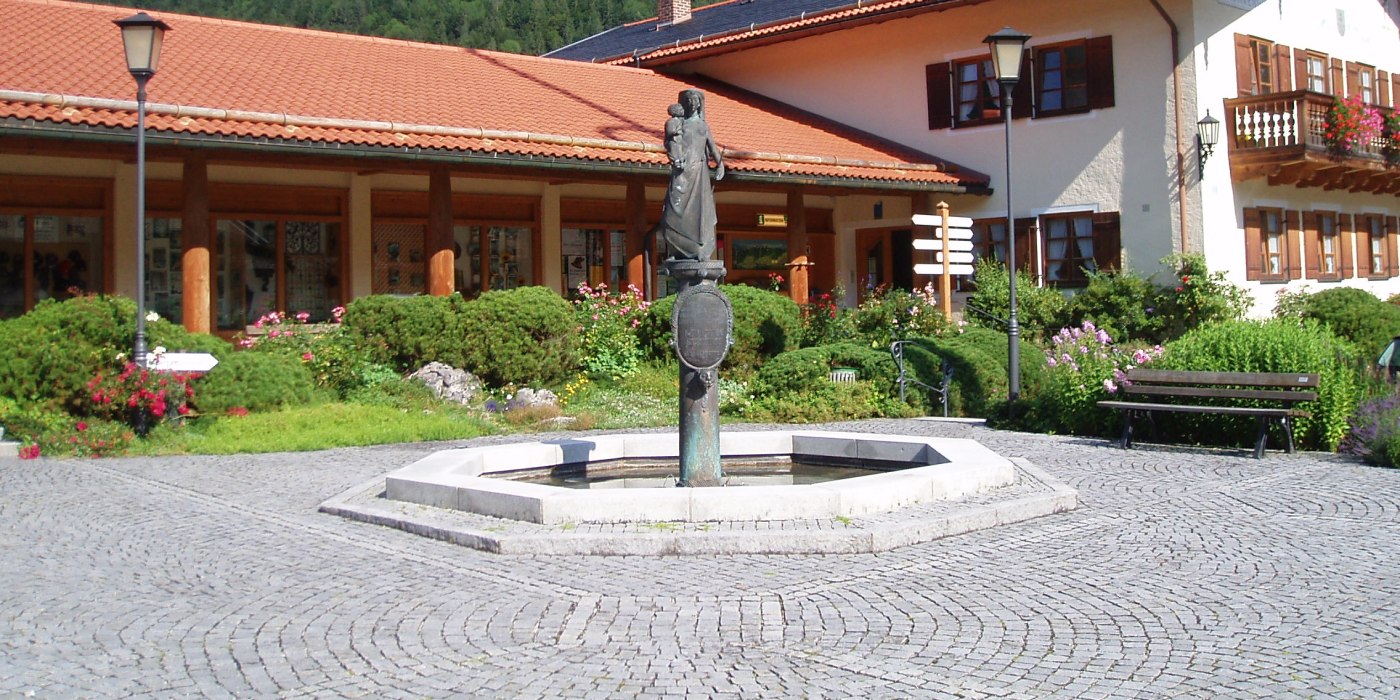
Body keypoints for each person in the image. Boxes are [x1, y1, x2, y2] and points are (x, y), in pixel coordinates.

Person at [655, 89, 725, 261]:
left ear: (700, 104)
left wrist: (720, 165)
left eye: (696, 100)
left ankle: (700, 248)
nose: (693, 103)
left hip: (700, 172)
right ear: (684, 103)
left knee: (702, 209)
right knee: (673, 207)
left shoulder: (703, 125)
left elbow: (712, 147)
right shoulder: (679, 123)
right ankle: (676, 249)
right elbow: (671, 142)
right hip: (682, 171)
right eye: (689, 100)